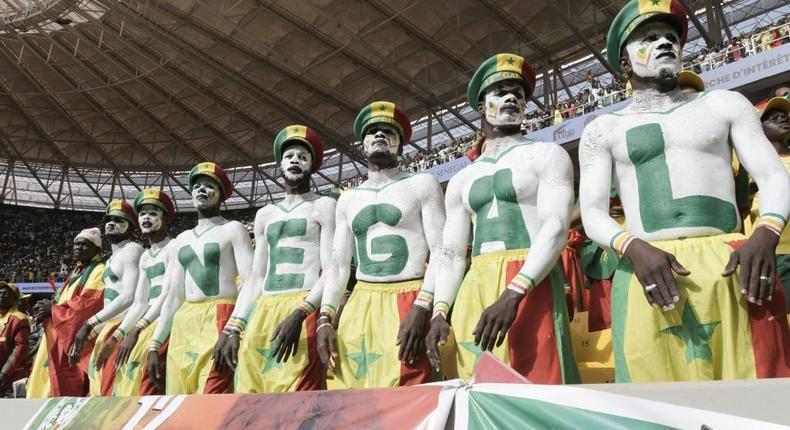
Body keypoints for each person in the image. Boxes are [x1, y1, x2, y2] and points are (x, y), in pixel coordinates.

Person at [579, 0, 790, 382]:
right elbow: (591, 212)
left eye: (671, 36)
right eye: (649, 37)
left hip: (729, 264)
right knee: (656, 404)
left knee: (755, 393)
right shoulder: (602, 129)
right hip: (646, 267)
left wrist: (765, 232)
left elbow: (774, 176)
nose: (664, 42)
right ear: (624, 63)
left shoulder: (725, 103)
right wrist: (633, 246)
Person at [426, 53, 579, 384]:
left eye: (519, 93)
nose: (512, 97)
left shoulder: (547, 155)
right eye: (501, 91)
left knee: (540, 383)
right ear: (482, 106)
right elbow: (451, 254)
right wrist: (440, 310)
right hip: (476, 281)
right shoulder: (462, 180)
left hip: (529, 279)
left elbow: (555, 227)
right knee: (478, 384)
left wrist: (514, 292)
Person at [316, 101, 445, 388]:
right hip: (361, 299)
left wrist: (424, 305)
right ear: (362, 144)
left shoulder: (422, 184)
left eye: (389, 131)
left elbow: (442, 251)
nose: (380, 135)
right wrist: (325, 316)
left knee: (412, 393)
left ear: (400, 143)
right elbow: (337, 265)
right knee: (355, 392)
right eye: (372, 131)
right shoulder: (347, 199)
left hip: (409, 296)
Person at [215, 125, 334, 393]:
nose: (295, 160)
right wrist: (233, 327)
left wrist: (303, 312)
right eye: (289, 155)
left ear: (312, 165)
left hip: (302, 305)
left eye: (302, 157)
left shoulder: (324, 205)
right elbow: (256, 277)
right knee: (250, 391)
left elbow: (331, 270)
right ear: (279, 163)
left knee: (298, 399)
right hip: (264, 308)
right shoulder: (265, 214)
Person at [147, 162, 253, 394]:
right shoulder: (181, 240)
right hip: (185, 321)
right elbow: (174, 297)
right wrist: (155, 343)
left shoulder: (234, 229)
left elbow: (250, 281)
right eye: (197, 186)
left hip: (220, 316)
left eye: (209, 185)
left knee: (212, 396)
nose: (202, 190)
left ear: (222, 194)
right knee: (179, 397)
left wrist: (234, 328)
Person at [98, 189, 177, 396]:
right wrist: (116, 337)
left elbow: (168, 294)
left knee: (145, 378)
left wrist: (136, 331)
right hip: (149, 322)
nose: (146, 218)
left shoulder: (174, 247)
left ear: (166, 219)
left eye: (153, 213)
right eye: (142, 214)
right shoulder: (146, 257)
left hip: (169, 321)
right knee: (125, 372)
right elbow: (140, 303)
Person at [68, 201, 143, 396]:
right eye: (108, 220)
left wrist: (89, 324)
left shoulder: (132, 249)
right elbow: (112, 302)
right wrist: (91, 334)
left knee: (116, 391)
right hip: (109, 329)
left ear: (132, 226)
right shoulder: (110, 259)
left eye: (119, 220)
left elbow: (129, 297)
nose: (111, 223)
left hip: (124, 328)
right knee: (100, 389)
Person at [27, 228, 106, 398]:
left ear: (97, 250)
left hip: (71, 337)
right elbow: (61, 301)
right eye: (76, 244)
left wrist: (53, 310)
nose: (78, 248)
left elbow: (89, 304)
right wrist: (47, 307)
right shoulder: (77, 271)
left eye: (85, 245)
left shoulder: (99, 270)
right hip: (57, 333)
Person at [747, 97, 790, 313]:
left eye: (784, 116)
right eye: (773, 118)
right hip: (777, 253)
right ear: (758, 128)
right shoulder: (751, 167)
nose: (782, 119)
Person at [0, 282, 30, 396]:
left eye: (6, 294)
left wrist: (4, 373)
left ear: (15, 299)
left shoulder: (19, 319)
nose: (1, 296)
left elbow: (21, 348)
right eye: (0, 293)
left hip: (9, 377)